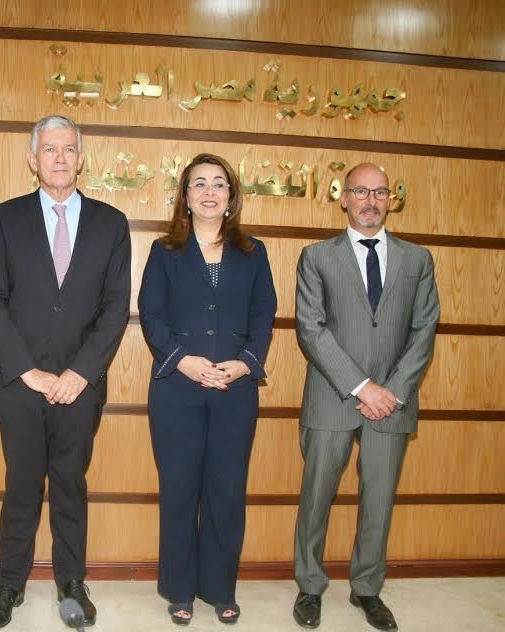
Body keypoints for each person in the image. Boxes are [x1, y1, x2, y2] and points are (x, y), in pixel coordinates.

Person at [0, 115, 131, 629]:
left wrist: (80, 373)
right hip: (19, 384)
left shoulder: (112, 223)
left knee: (69, 485)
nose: (59, 158)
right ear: (33, 159)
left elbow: (115, 307)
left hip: (80, 385)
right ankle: (9, 586)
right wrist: (28, 371)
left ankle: (72, 583)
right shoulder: (5, 218)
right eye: (49, 149)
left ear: (81, 159)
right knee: (21, 485)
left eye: (68, 149)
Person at [292, 163, 440, 631]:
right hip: (332, 397)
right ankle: (310, 586)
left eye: (379, 192)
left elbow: (424, 330)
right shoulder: (317, 256)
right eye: (361, 191)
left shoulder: (418, 260)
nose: (370, 201)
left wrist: (391, 391)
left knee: (379, 499)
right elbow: (311, 329)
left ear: (391, 199)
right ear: (344, 198)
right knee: (316, 496)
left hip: (392, 402)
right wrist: (363, 386)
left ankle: (367, 588)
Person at [138, 153, 277, 626]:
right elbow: (152, 314)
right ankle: (179, 588)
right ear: (185, 197)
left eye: (219, 183)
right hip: (177, 388)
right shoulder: (165, 252)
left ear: (231, 196)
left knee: (227, 490)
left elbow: (263, 313)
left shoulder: (253, 252)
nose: (209, 191)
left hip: (235, 390)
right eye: (199, 183)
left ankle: (219, 588)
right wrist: (185, 361)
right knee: (179, 489)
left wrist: (244, 365)